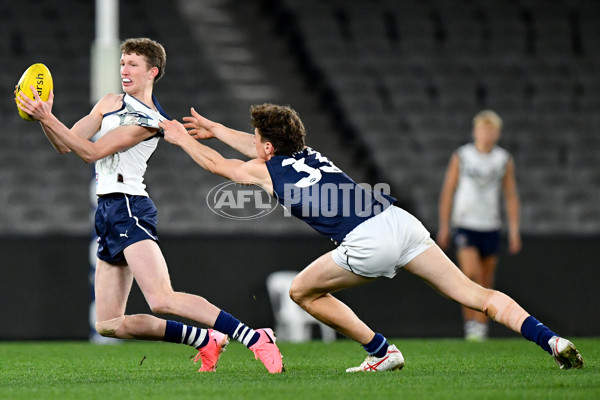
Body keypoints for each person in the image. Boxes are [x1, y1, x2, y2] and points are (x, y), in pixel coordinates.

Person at [159, 103, 583, 372]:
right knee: (477, 294)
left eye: (256, 140)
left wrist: (180, 138)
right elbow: (260, 149)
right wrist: (217, 128)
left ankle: (380, 351)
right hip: (399, 221)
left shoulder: (265, 169)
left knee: (301, 292)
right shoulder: (307, 154)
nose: (253, 144)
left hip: (366, 241)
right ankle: (553, 340)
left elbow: (218, 165)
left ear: (268, 147)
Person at [15, 38, 283, 374]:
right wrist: (45, 116)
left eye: (133, 64)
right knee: (109, 324)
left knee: (162, 299)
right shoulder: (109, 102)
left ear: (152, 72)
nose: (124, 70)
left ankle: (254, 336)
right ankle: (205, 340)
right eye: (123, 63)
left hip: (130, 207)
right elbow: (66, 144)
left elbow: (91, 152)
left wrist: (46, 117)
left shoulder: (149, 120)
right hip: (108, 212)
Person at [437, 110, 521, 342]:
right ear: (475, 131)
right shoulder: (463, 156)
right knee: (470, 274)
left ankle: (481, 327)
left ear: (497, 133)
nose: (486, 134)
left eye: (491, 130)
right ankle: (471, 325)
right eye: (482, 129)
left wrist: (514, 229)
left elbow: (510, 194)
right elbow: (448, 190)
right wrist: (444, 225)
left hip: (490, 224)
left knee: (485, 277)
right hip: (465, 223)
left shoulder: (503, 159)